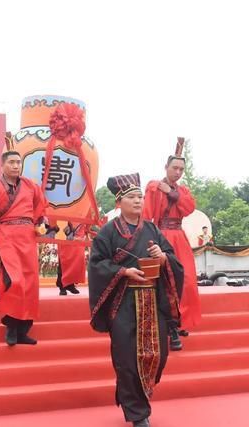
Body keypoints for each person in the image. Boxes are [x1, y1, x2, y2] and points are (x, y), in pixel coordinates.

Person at [88, 173, 183, 427]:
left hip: (152, 299)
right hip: (123, 300)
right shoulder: (108, 232)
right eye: (132, 197)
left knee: (158, 355)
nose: (138, 201)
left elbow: (173, 260)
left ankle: (132, 395)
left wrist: (162, 256)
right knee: (127, 360)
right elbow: (96, 265)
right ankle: (138, 413)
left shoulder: (152, 229)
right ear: (119, 203)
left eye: (140, 196)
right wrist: (123, 271)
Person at [0, 151, 48, 346]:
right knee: (13, 281)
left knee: (29, 283)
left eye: (18, 162)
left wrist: (40, 223)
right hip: (6, 237)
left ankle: (23, 329)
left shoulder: (30, 186)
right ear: (2, 165)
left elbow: (40, 207)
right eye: (11, 162)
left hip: (27, 237)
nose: (16, 166)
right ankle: (10, 324)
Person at [142, 137, 201, 350]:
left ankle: (181, 320)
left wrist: (172, 192)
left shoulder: (182, 191)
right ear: (165, 167)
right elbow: (147, 215)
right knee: (166, 282)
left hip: (179, 236)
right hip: (161, 236)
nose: (178, 172)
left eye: (181, 169)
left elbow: (189, 208)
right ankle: (169, 326)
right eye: (175, 167)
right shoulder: (153, 187)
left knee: (187, 281)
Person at [56, 222, 85, 295]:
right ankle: (62, 285)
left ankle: (70, 284)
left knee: (77, 260)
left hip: (79, 235)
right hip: (65, 232)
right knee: (64, 260)